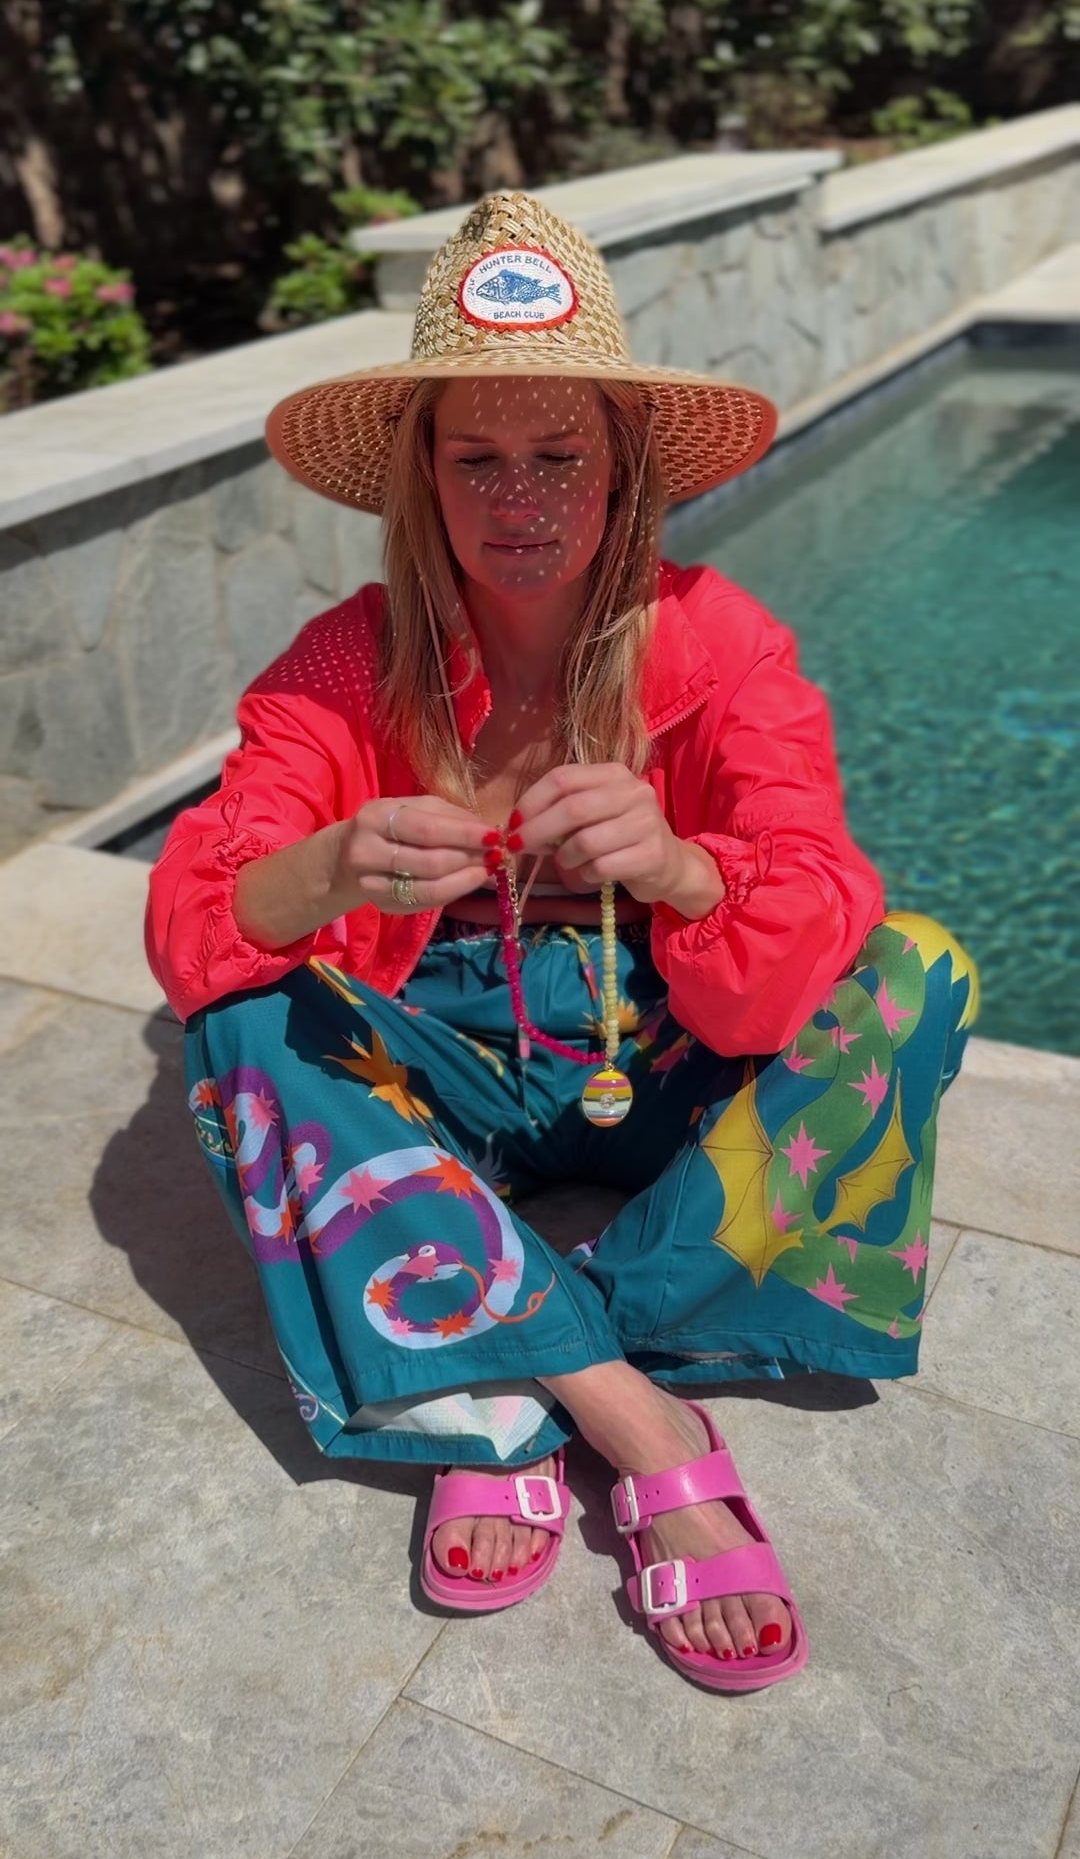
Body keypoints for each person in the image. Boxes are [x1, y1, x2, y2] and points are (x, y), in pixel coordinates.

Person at [145, 190, 980, 1694]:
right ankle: (630, 1416)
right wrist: (321, 867)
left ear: (625, 472)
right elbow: (203, 920)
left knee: (918, 965)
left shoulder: (722, 644)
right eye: (476, 457)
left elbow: (809, 909)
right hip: (442, 1054)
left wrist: (685, 872)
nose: (517, 495)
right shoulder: (343, 664)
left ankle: (497, 1357)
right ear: (420, 477)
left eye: (559, 454)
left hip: (645, 1039)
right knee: (246, 1029)